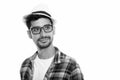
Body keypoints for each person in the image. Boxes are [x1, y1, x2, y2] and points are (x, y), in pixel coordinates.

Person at [20, 10, 84, 80]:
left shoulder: (71, 65)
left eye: (47, 28)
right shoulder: (25, 65)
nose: (43, 34)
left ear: (53, 30)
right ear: (29, 34)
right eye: (36, 29)